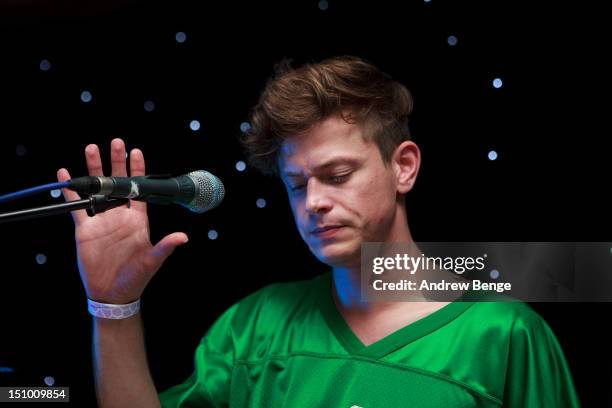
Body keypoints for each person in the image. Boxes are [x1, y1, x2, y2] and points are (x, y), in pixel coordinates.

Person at [58, 56, 580, 407]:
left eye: (336, 176)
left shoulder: (504, 335)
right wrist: (113, 306)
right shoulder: (253, 329)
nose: (314, 203)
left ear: (404, 166)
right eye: (295, 184)